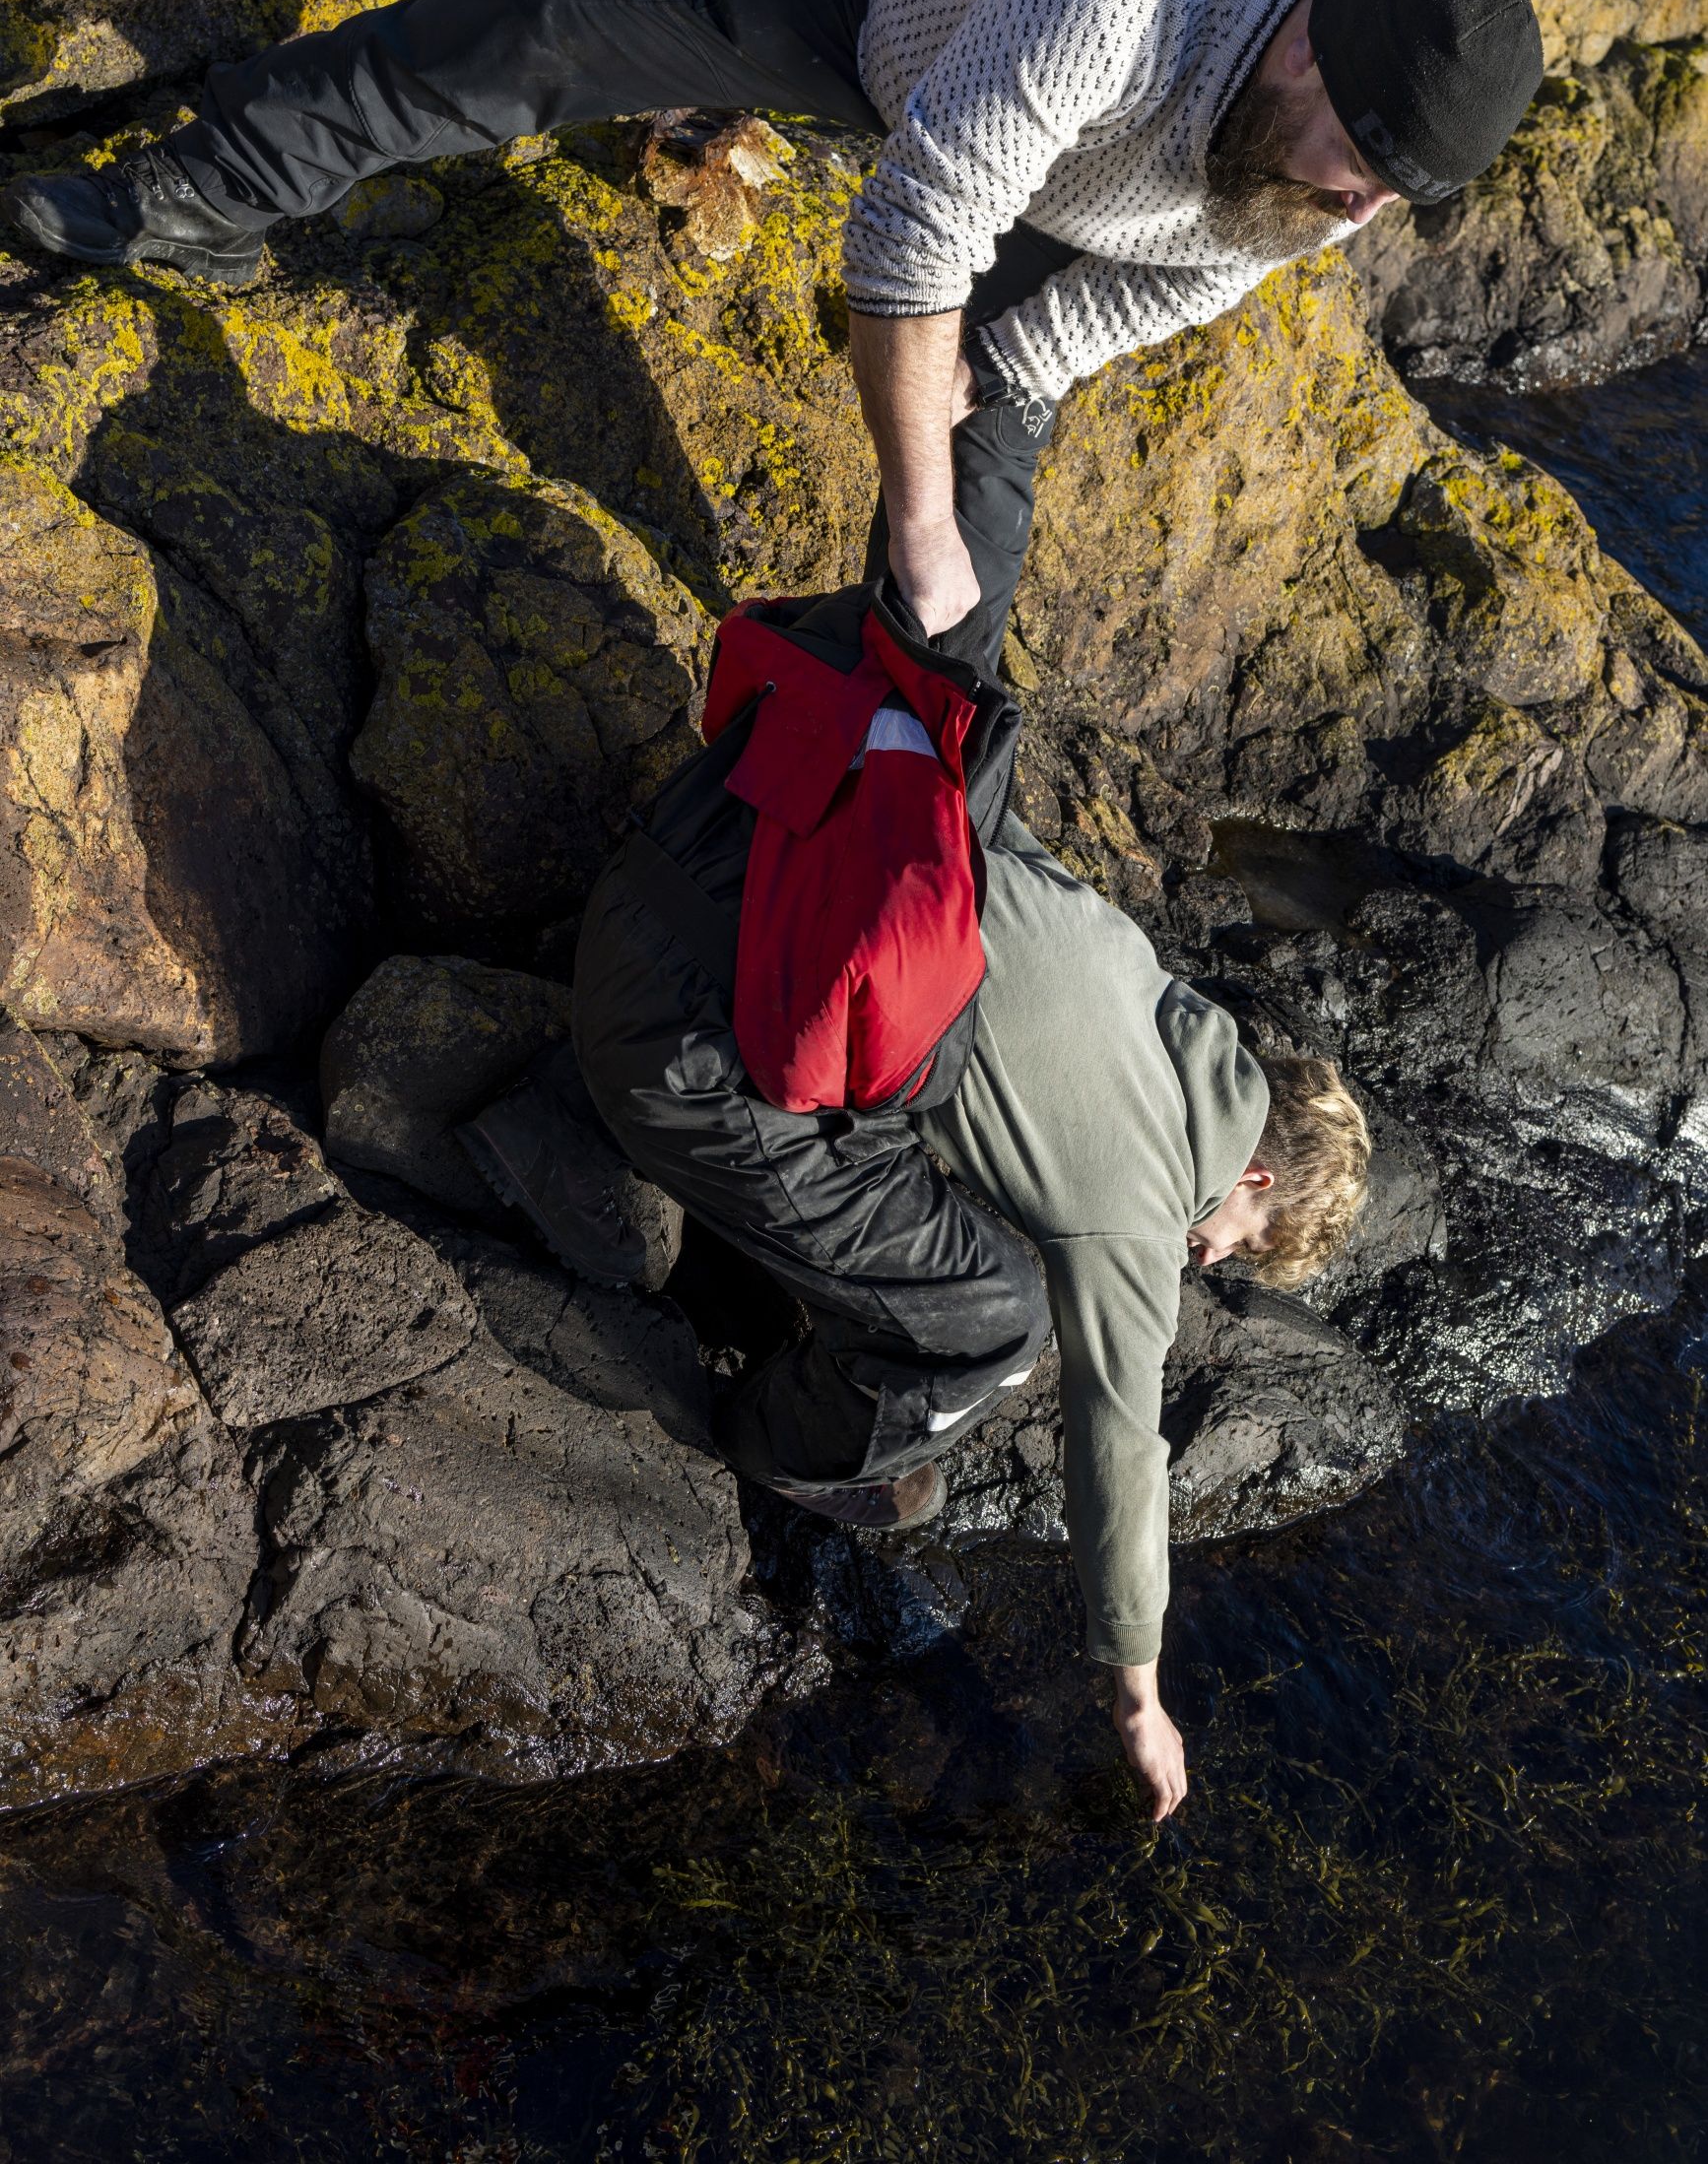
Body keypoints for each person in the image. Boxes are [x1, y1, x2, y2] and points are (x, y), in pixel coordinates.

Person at [458, 261, 1371, 1825]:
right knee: (986, 1318)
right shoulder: (1138, 1204)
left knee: (956, 663)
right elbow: (1118, 1451)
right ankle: (770, 1441)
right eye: (1232, 1246)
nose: (1202, 1265)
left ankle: (993, 364)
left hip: (707, 846)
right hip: (658, 1039)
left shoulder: (1139, 970)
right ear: (1258, 1172)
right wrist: (1136, 1695)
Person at [5, 0, 1544, 638]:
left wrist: (984, 403)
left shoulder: (1334, 169)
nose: (1359, 216)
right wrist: (913, 468)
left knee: (972, 511)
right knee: (526, 36)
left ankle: (913, 796)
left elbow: (1179, 277)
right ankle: (171, 196)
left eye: (1389, 201)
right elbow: (912, 229)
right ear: (1300, 49)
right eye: (1356, 171)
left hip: (1058, 147)